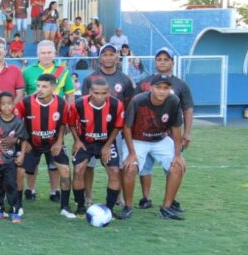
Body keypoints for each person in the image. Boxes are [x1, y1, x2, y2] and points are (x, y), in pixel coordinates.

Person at [121, 74, 186, 221]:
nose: (162, 91)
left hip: (160, 139)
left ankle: (166, 208)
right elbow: (127, 128)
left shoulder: (174, 101)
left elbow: (176, 128)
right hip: (138, 139)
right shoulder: (138, 101)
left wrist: (177, 154)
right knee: (130, 167)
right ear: (151, 88)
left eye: (166, 88)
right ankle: (128, 207)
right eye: (158, 87)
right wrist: (131, 153)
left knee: (177, 166)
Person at [135, 47, 193, 213]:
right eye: (159, 59)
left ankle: (170, 200)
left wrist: (187, 133)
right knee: (145, 167)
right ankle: (146, 198)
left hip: (169, 135)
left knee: (173, 166)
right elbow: (134, 106)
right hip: (145, 134)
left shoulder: (181, 85)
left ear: (172, 63)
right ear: (155, 62)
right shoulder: (144, 83)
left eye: (166, 59)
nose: (162, 62)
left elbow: (188, 109)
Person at [67, 76, 125, 217]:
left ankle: (109, 209)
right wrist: (77, 140)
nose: (100, 96)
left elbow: (117, 127)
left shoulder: (116, 105)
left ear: (108, 92)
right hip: (85, 142)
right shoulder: (78, 104)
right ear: (90, 92)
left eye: (103, 93)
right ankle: (80, 207)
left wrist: (107, 145)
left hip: (106, 142)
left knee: (114, 171)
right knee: (79, 169)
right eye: (96, 93)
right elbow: (71, 123)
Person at [16, 73, 72, 218]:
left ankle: (65, 207)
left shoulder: (61, 103)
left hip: (53, 144)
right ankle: (17, 206)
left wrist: (59, 142)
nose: (40, 89)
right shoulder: (26, 102)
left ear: (53, 88)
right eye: (38, 86)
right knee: (20, 172)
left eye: (44, 87)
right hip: (31, 144)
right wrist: (24, 141)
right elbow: (17, 123)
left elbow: (63, 124)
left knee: (65, 170)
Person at [0, 91, 25, 223]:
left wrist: (22, 154)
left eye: (9, 104)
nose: (7, 107)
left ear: (13, 104)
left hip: (9, 162)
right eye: (3, 104)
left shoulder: (18, 122)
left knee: (11, 186)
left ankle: (14, 210)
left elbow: (24, 140)